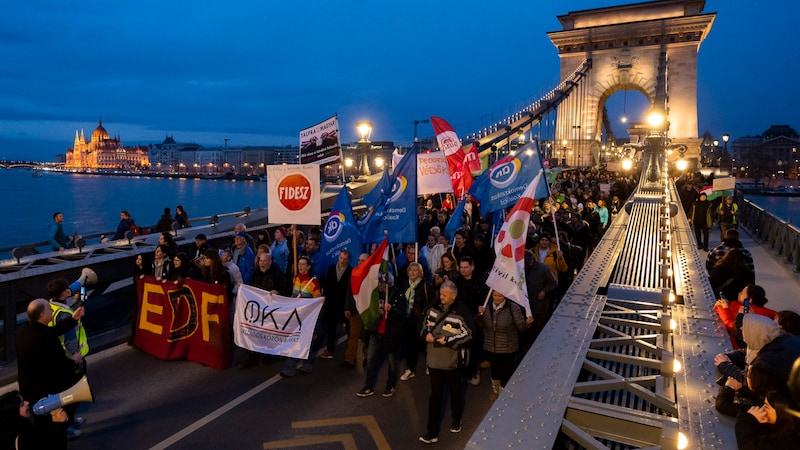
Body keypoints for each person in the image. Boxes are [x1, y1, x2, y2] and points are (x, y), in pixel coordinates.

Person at [16, 298, 86, 448]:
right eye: (49, 309)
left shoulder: (23, 331)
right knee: (56, 420)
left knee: (41, 422)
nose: (52, 311)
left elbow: (52, 331)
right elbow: (60, 363)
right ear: (42, 315)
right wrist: (74, 360)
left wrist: (73, 319)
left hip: (28, 387)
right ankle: (65, 428)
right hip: (45, 391)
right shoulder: (46, 338)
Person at [419, 280, 474, 444]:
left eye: (444, 295)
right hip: (434, 361)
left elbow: (470, 335)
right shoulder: (432, 308)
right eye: (440, 294)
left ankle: (456, 418)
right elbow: (422, 326)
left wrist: (449, 340)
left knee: (455, 392)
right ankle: (432, 430)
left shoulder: (462, 312)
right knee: (435, 396)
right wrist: (425, 335)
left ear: (454, 295)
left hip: (452, 362)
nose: (441, 297)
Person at [356, 273, 406, 398]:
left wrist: (392, 309)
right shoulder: (374, 295)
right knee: (371, 360)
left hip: (390, 334)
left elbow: (403, 314)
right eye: (378, 283)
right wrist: (374, 311)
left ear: (389, 283)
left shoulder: (398, 294)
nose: (380, 285)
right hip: (376, 332)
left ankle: (390, 385)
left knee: (392, 361)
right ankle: (369, 386)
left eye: (382, 283)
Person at [477, 290, 532, 400]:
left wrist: (527, 323)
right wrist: (479, 315)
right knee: (495, 371)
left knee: (506, 372)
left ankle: (503, 394)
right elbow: (479, 325)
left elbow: (520, 327)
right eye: (495, 295)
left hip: (508, 347)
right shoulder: (486, 306)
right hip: (491, 346)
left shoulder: (513, 307)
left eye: (499, 296)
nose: (496, 298)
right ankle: (495, 390)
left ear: (505, 296)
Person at [281, 256, 323, 377]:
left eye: (303, 264)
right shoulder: (296, 278)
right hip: (296, 316)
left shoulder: (313, 282)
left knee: (306, 342)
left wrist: (316, 324)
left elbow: (317, 302)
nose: (300, 266)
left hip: (307, 318)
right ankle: (289, 368)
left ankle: (306, 365)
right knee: (292, 340)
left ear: (309, 267)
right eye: (299, 264)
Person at [398, 262, 433, 382]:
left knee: (424, 345)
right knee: (410, 346)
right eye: (410, 270)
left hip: (421, 321)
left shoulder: (425, 285)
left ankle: (429, 364)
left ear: (420, 273)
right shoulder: (404, 284)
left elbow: (432, 303)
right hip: (408, 321)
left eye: (415, 270)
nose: (412, 273)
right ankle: (410, 369)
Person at [714, 284, 776, 348]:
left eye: (742, 293)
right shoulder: (772, 314)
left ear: (749, 300)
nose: (739, 293)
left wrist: (723, 309)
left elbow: (735, 329)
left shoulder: (743, 309)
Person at [321, 250, 352, 359]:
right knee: (331, 328)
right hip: (332, 303)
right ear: (338, 257)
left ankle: (350, 352)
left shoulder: (351, 271)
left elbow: (350, 290)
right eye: (341, 258)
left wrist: (348, 306)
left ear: (348, 260)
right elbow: (327, 285)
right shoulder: (331, 268)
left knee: (350, 329)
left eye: (345, 259)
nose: (342, 261)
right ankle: (330, 350)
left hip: (344, 305)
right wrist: (324, 297)